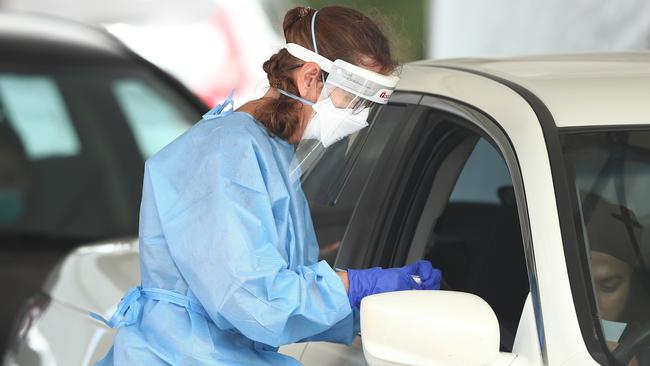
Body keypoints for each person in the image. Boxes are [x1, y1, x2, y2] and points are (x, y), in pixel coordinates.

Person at [91, 6, 441, 365]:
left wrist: (367, 304)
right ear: (310, 77)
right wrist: (357, 286)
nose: (361, 116)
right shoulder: (226, 154)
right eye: (357, 97)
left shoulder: (269, 153)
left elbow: (284, 292)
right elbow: (252, 298)